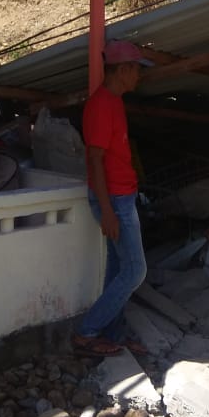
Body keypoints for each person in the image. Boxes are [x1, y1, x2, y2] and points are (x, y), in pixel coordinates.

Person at [71, 39, 152, 358]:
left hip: (122, 196)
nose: (139, 77)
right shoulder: (103, 104)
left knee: (119, 269)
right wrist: (106, 210)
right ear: (124, 70)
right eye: (137, 71)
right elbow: (94, 160)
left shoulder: (113, 101)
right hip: (115, 199)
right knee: (135, 271)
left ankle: (112, 333)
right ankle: (86, 332)